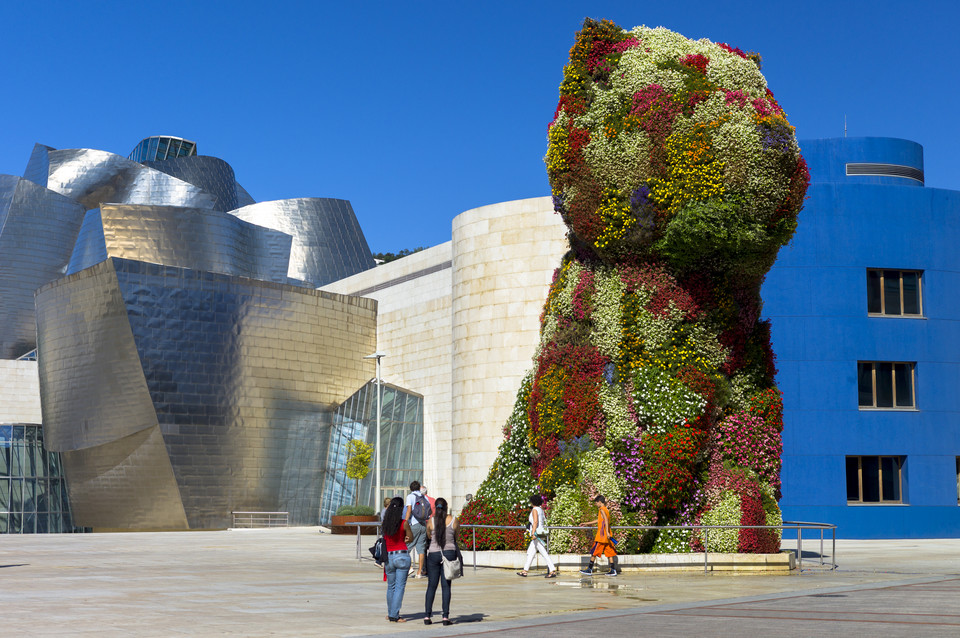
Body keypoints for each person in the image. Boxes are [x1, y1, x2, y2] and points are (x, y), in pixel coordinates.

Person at [423, 497, 459, 626]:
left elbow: (428, 536)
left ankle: (427, 616)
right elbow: (456, 536)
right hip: (449, 553)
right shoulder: (453, 520)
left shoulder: (430, 521)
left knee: (431, 586)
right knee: (446, 586)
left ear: (435, 508)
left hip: (433, 554)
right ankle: (445, 617)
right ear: (446, 506)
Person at [382, 496, 414, 623]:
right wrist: (406, 538)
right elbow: (410, 538)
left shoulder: (385, 524)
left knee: (391, 586)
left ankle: (391, 613)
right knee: (400, 587)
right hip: (401, 556)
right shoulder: (403, 523)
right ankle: (394, 615)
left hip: (389, 557)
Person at [516, 494, 557, 578]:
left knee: (544, 553)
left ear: (532, 502)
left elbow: (535, 522)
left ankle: (552, 570)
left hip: (536, 534)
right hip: (540, 532)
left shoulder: (535, 509)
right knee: (530, 553)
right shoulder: (541, 510)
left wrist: (533, 533)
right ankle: (525, 571)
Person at [579, 494, 619, 576]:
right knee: (609, 552)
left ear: (600, 502)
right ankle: (613, 570)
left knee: (594, 551)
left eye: (596, 503)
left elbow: (606, 521)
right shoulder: (606, 510)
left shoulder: (601, 509)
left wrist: (606, 532)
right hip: (606, 536)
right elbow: (599, 520)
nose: (596, 504)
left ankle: (589, 569)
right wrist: (586, 523)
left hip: (602, 536)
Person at [404, 480, 430, 578]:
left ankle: (409, 567)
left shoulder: (410, 496)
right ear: (419, 488)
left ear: (411, 488)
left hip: (414, 524)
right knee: (421, 549)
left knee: (406, 547)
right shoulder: (424, 497)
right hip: (423, 525)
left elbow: (409, 510)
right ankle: (419, 572)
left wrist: (405, 521)